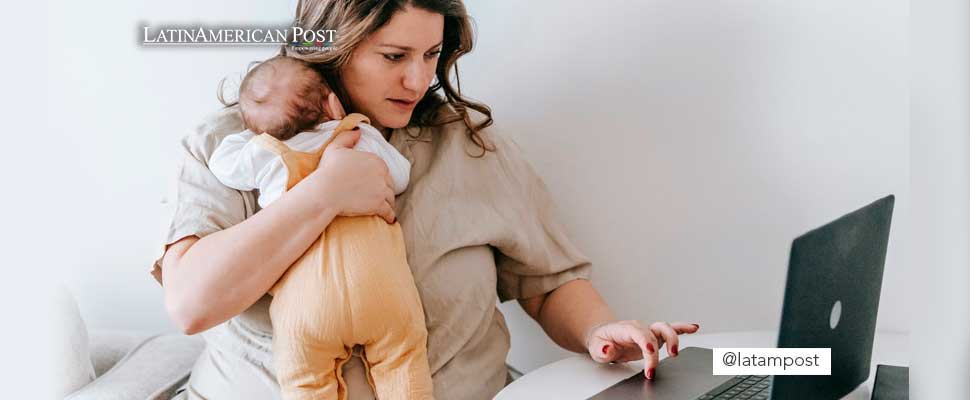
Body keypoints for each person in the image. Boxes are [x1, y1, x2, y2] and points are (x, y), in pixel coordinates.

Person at [154, 1, 700, 398]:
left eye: (431, 54)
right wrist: (321, 195)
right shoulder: (233, 144)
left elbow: (547, 281)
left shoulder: (468, 144)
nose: (417, 79)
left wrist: (596, 331)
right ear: (330, 46)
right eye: (394, 55)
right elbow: (191, 304)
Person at [208, 55, 433, 400]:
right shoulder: (359, 135)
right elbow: (400, 176)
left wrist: (253, 135)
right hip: (381, 289)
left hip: (307, 305)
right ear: (332, 101)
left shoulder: (267, 152)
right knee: (403, 362)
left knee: (305, 381)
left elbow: (223, 164)